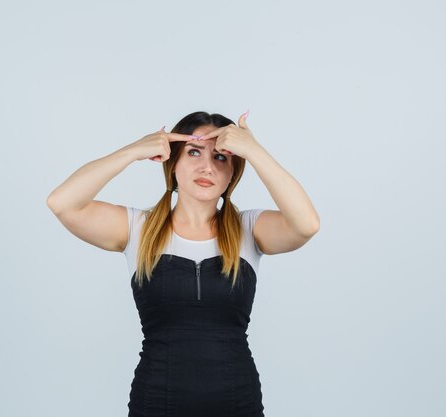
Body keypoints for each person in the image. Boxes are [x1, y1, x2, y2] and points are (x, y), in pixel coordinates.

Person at [46, 110, 320, 417]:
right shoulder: (139, 228)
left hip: (238, 404)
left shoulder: (249, 228)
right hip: (156, 404)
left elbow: (306, 225)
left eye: (220, 158)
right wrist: (134, 150)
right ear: (172, 163)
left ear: (232, 175)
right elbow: (62, 202)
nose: (206, 167)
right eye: (193, 152)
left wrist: (254, 151)